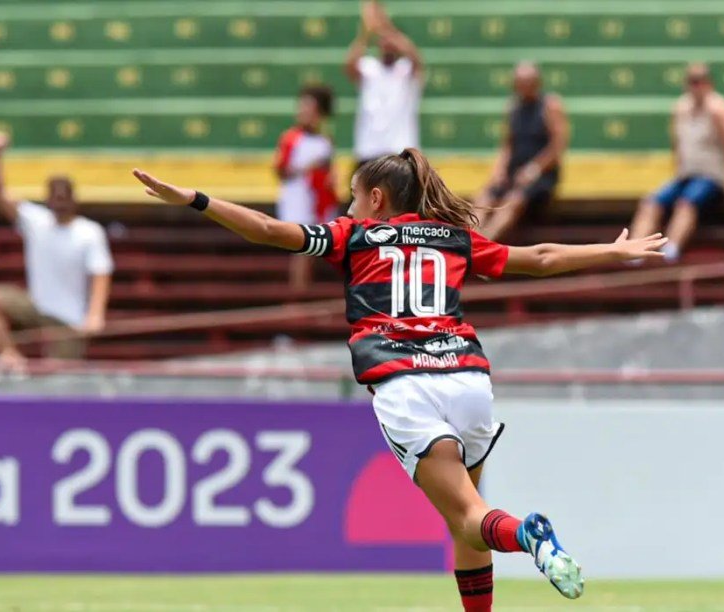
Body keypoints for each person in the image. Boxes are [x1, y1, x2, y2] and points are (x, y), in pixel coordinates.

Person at [132, 149, 667, 609]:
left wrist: (196, 201)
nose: (347, 206)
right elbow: (541, 257)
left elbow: (272, 231)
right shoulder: (451, 237)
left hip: (407, 384)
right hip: (467, 380)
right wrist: (613, 250)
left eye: (352, 195)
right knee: (467, 516)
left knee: (470, 516)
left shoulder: (354, 236)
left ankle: (528, 534)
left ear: (377, 200)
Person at [0, 132, 113, 370]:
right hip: (35, 306)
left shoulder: (89, 232)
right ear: (48, 198)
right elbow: (0, 194)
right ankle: (10, 355)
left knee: (57, 377)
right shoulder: (37, 221)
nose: (59, 201)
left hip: (69, 318)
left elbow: (101, 273)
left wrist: (95, 315)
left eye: (63, 196)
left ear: (73, 199)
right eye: (55, 196)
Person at [628, 63, 724, 263]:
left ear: (708, 84)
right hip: (685, 175)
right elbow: (677, 145)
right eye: (691, 81)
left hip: (711, 176)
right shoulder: (681, 108)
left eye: (699, 81)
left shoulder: (720, 110)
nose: (695, 86)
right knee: (651, 202)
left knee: (686, 203)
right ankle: (633, 250)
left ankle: (671, 248)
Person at [474, 62, 569, 241]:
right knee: (483, 197)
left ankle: (484, 243)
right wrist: (499, 171)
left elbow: (558, 145)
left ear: (537, 82)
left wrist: (534, 169)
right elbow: (507, 145)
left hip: (541, 175)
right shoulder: (513, 108)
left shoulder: (550, 105)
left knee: (513, 201)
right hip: (515, 172)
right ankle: (471, 240)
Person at [345, 0, 423, 171]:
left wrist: (386, 27)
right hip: (369, 151)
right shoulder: (369, 68)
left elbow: (416, 58)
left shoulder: (406, 69)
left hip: (401, 152)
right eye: (383, 41)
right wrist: (365, 32)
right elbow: (349, 65)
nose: (387, 44)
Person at [274, 85, 338, 292]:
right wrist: (307, 167)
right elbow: (281, 169)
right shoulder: (291, 138)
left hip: (319, 199)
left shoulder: (325, 140)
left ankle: (305, 290)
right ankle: (298, 294)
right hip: (298, 198)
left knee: (314, 249)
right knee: (301, 248)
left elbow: (330, 169)